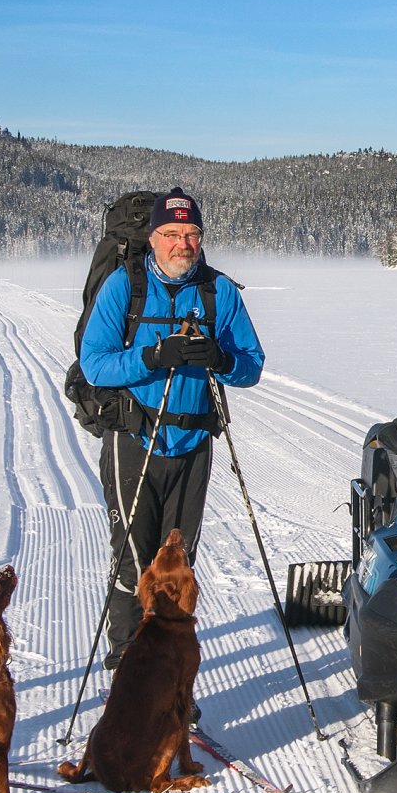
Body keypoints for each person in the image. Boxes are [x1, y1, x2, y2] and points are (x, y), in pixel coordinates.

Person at [78, 188, 265, 669]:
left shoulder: (218, 291)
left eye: (191, 234)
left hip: (193, 445)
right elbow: (94, 364)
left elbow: (251, 366)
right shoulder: (125, 286)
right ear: (153, 238)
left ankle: (170, 672)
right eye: (172, 234)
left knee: (178, 568)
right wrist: (153, 357)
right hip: (133, 439)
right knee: (132, 562)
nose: (183, 243)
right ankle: (126, 666)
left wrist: (220, 359)